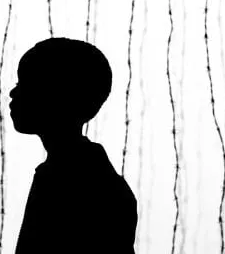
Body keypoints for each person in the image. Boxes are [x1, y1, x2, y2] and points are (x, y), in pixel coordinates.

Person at [9, 37, 137, 254]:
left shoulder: (73, 178)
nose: (13, 93)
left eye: (27, 84)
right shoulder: (81, 170)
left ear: (58, 95)